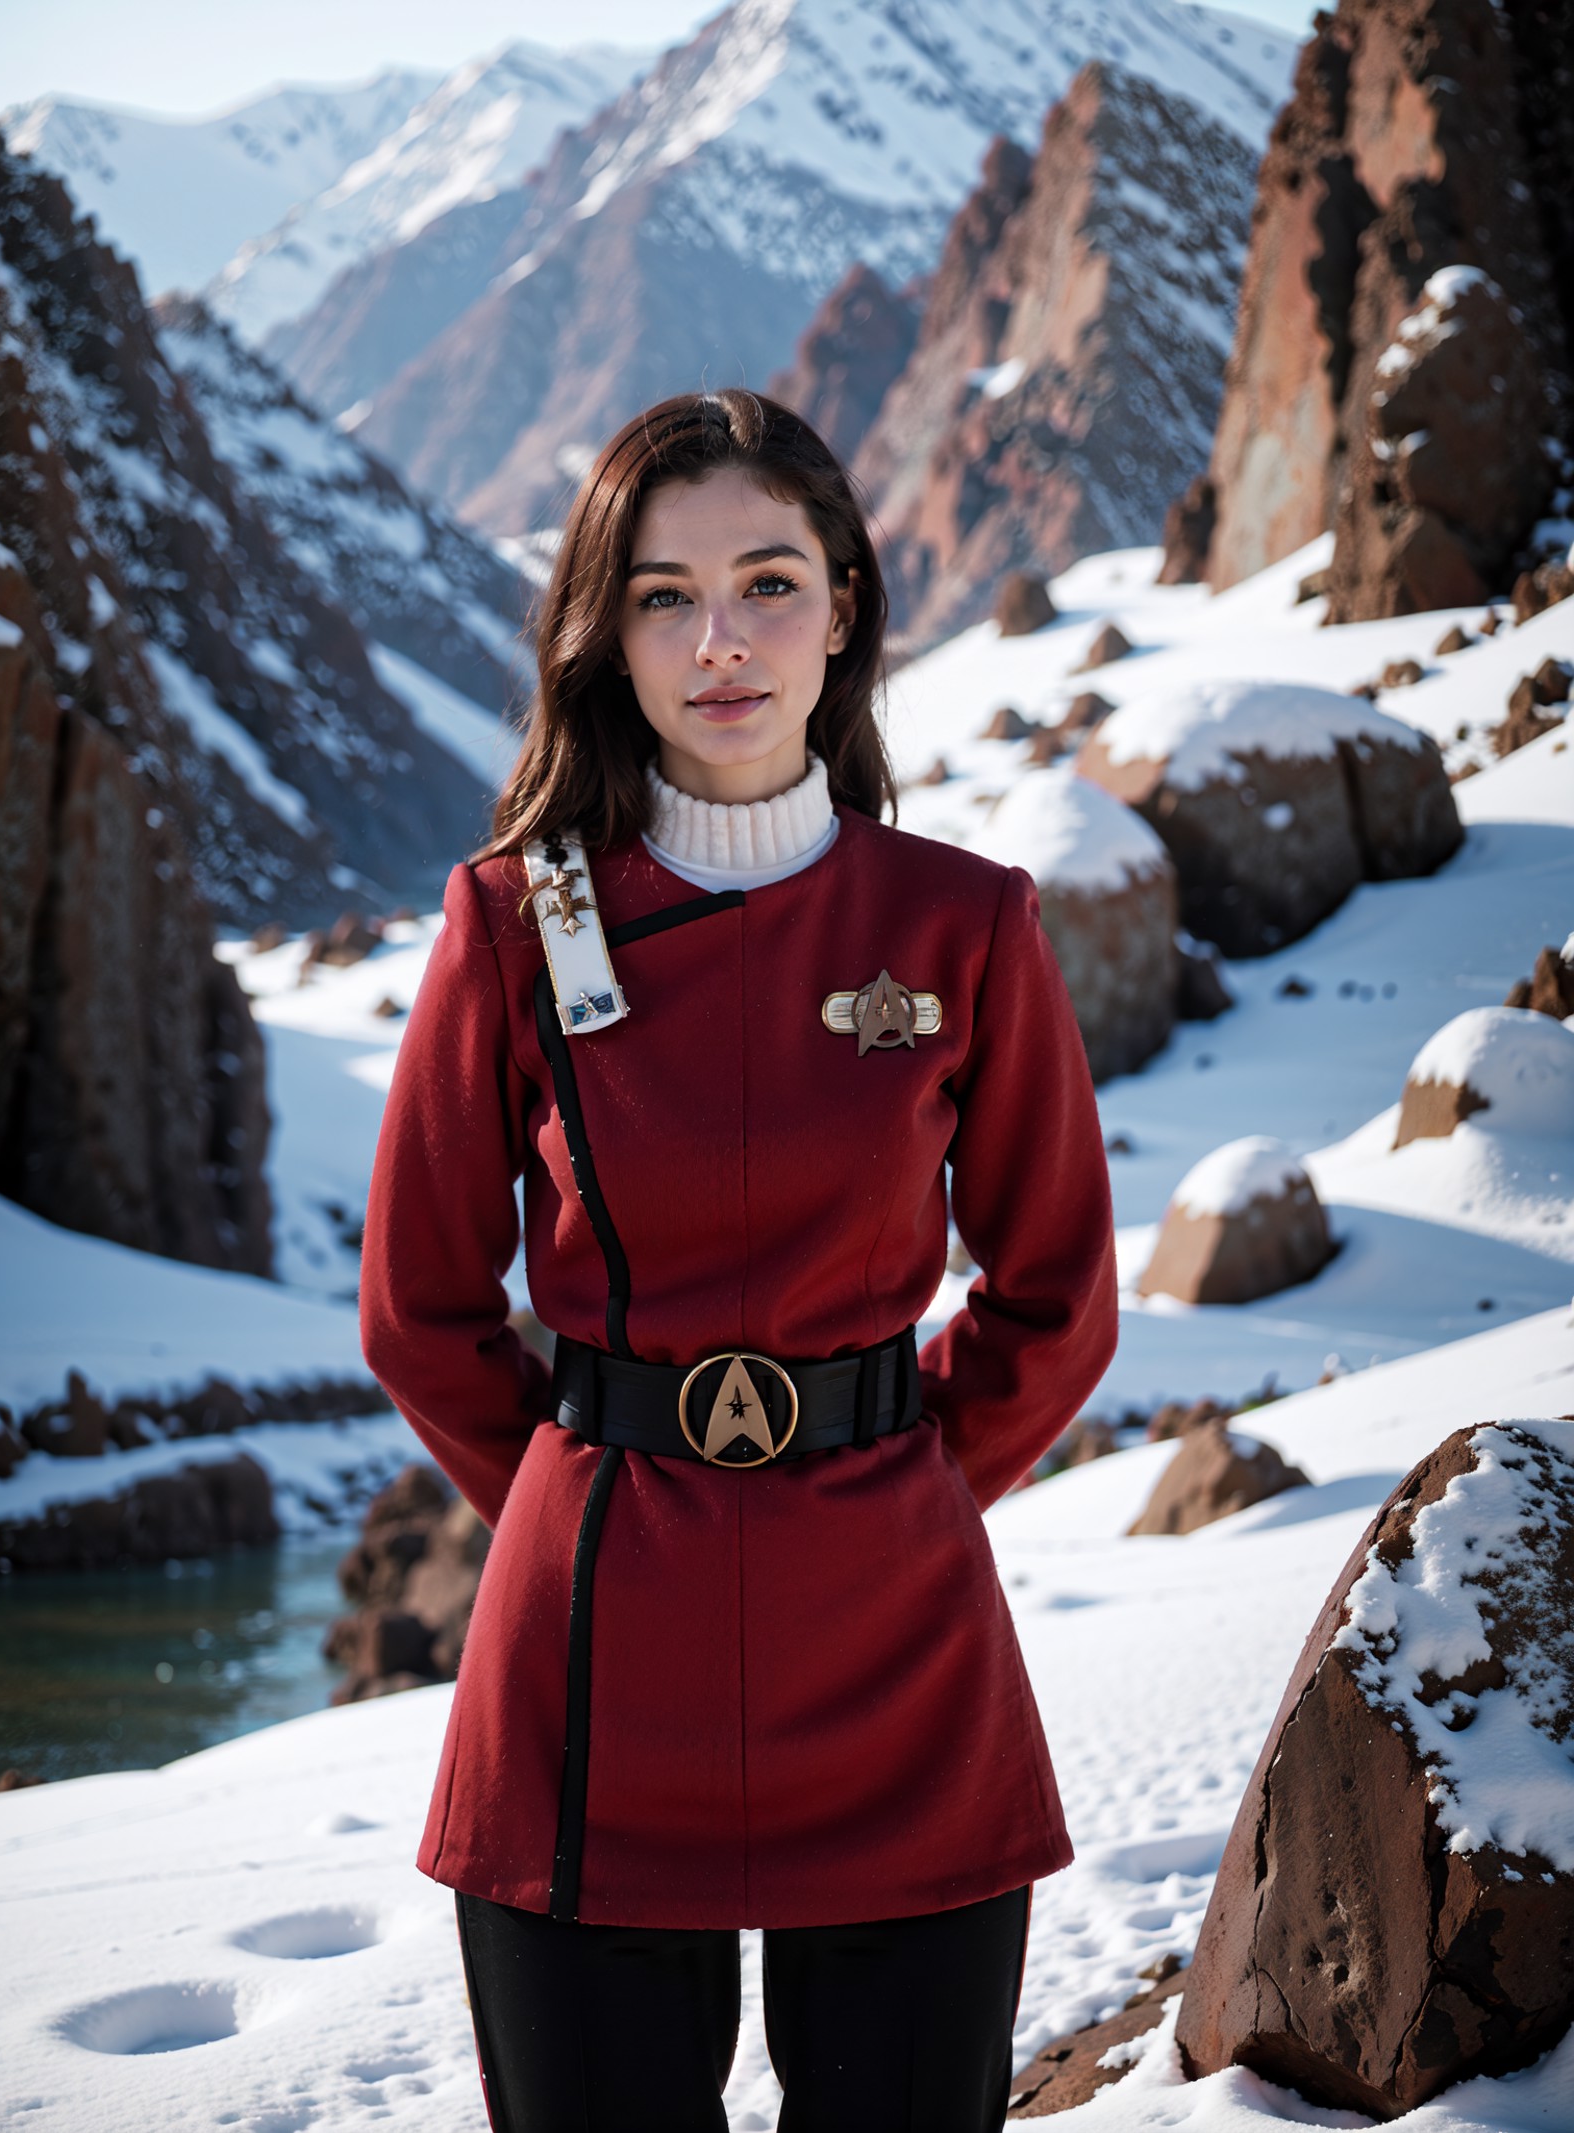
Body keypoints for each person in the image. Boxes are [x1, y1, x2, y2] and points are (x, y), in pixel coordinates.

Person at [361, 389, 1117, 2133]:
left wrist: (900, 1477)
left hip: (902, 1649)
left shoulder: (964, 920)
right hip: (589, 1672)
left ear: (845, 602)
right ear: (606, 633)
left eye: (769, 582)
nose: (720, 640)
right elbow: (419, 1313)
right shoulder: (513, 919)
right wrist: (588, 1485)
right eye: (661, 593)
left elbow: (1057, 1300)